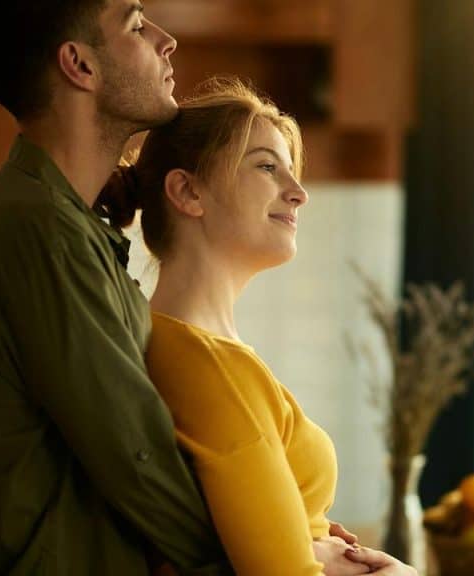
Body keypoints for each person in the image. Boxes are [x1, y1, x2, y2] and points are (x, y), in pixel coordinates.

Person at [0, 1, 233, 573]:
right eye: (135, 24)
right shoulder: (40, 231)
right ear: (79, 65)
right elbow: (137, 454)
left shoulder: (58, 221)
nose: (167, 39)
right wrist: (267, 558)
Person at [99, 77, 418, 576]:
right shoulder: (208, 364)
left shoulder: (188, 346)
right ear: (187, 191)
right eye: (267, 167)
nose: (298, 194)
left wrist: (303, 535)